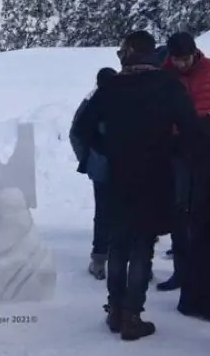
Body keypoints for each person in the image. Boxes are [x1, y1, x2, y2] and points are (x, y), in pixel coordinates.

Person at [72, 30, 197, 340]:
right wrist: (170, 150)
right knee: (142, 247)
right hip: (155, 177)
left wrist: (110, 147)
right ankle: (131, 316)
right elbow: (191, 130)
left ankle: (115, 309)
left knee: (117, 244)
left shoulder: (111, 87)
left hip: (117, 176)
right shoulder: (169, 86)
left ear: (128, 53)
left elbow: (84, 129)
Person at [158, 31, 210, 291]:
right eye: (177, 60)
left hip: (208, 142)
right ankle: (181, 270)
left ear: (195, 53)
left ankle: (203, 271)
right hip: (177, 146)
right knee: (180, 208)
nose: (182, 64)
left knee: (205, 206)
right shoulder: (164, 74)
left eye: (185, 59)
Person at [70, 67, 117, 280]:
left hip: (100, 166)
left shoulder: (91, 101)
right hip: (129, 165)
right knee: (130, 212)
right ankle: (139, 263)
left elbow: (76, 132)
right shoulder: (128, 99)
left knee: (103, 213)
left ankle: (99, 260)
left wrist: (87, 159)